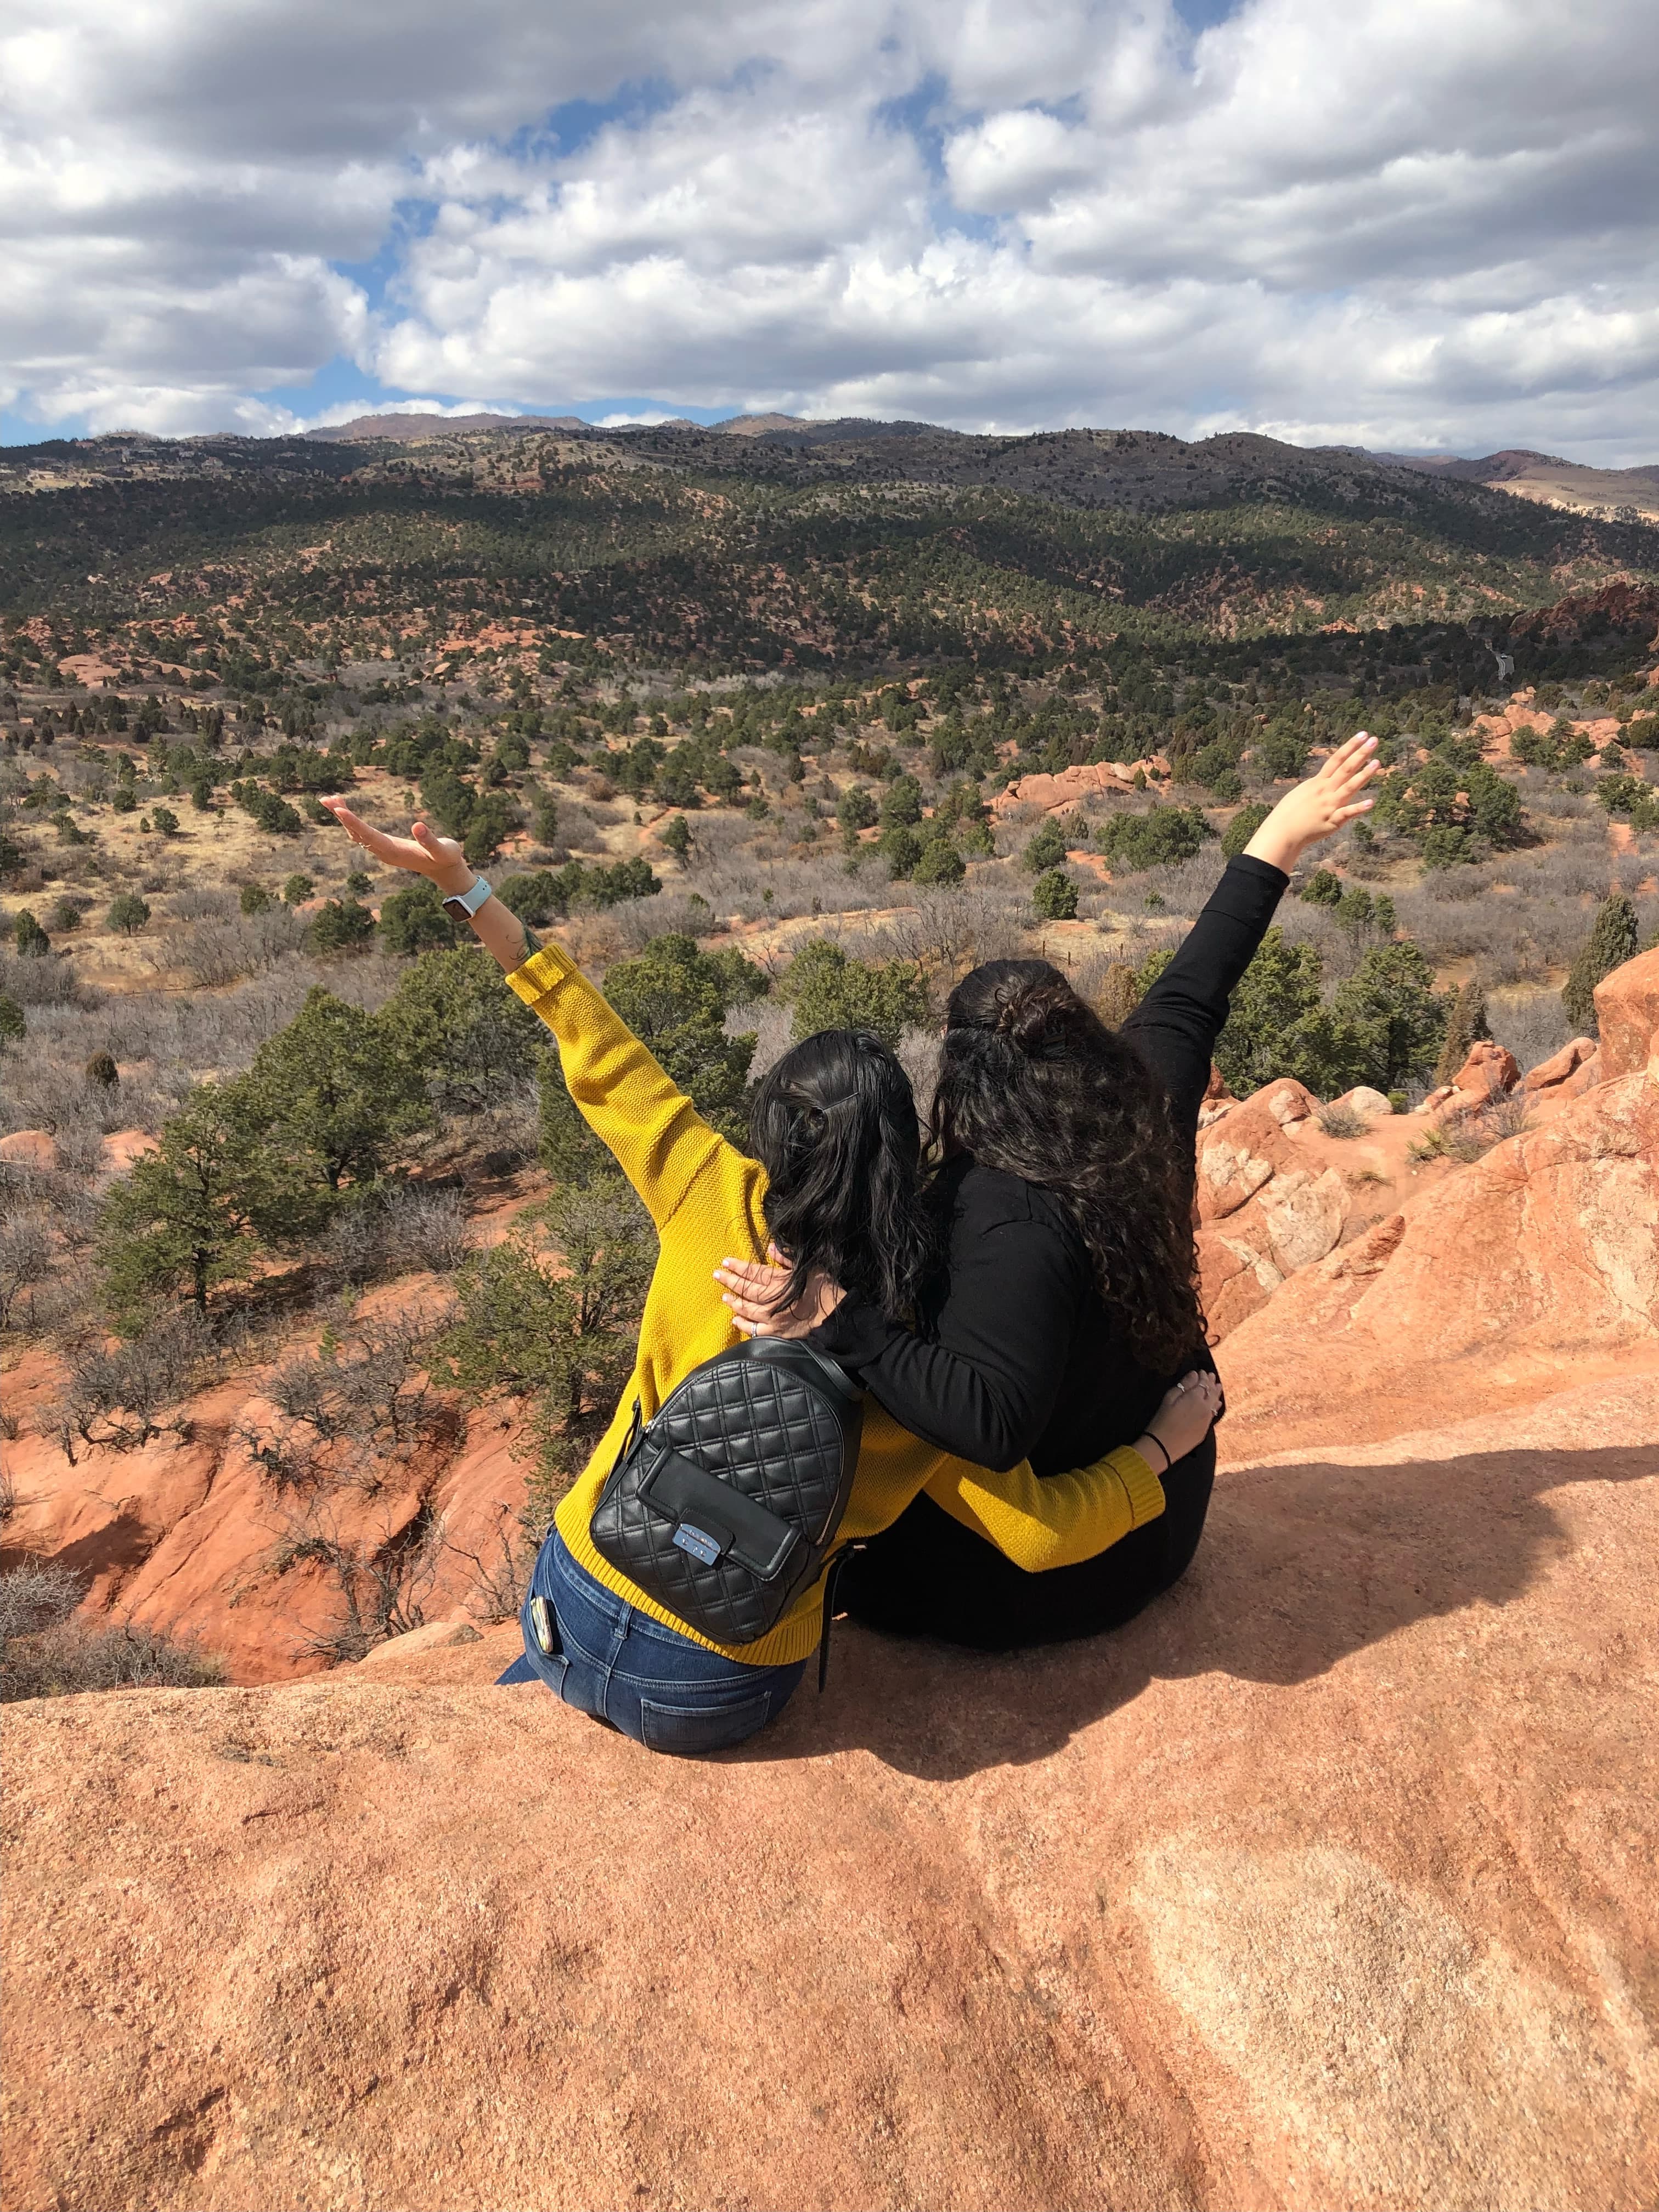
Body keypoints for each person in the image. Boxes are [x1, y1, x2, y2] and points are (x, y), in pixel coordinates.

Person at [320, 794, 1218, 1751]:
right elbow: (1042, 1534)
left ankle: (546, 1670)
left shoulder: (711, 1194)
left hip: (583, 1584)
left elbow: (594, 1042)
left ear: (773, 1134)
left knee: (553, 1663)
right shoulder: (918, 1342)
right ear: (907, 1146)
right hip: (718, 1686)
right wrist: (1159, 1450)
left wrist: (465, 886)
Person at [715, 735, 1379, 1649]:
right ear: (1079, 1036)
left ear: (962, 1076)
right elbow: (1197, 987)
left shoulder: (1001, 1211)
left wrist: (842, 1320)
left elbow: (993, 1421)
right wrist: (1279, 838)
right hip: (1166, 1519)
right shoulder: (1146, 1099)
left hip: (1036, 1586)